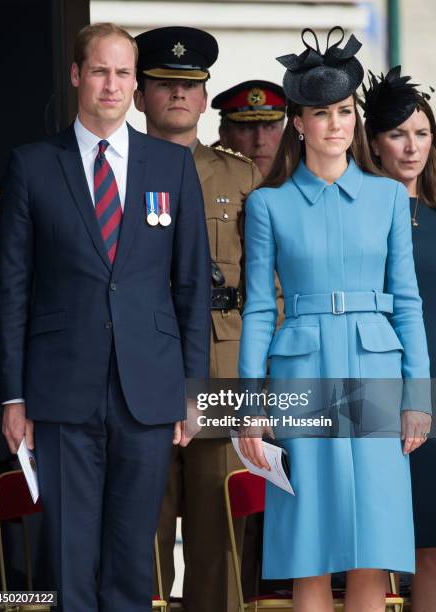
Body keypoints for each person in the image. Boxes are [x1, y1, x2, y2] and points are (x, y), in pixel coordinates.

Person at [0, 22, 210, 612]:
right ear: (76, 77)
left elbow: (191, 286)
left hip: (149, 389)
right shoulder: (33, 166)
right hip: (61, 393)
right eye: (99, 71)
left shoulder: (171, 166)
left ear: (133, 83)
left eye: (122, 74)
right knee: (67, 557)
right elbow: (11, 290)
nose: (111, 85)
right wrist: (12, 397)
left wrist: (192, 391)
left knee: (132, 557)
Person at [238, 27, 432, 612]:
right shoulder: (268, 204)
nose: (336, 125)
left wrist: (418, 394)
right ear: (298, 122)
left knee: (372, 548)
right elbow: (256, 309)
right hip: (300, 372)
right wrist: (250, 405)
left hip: (376, 365)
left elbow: (408, 300)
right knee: (310, 549)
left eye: (345, 111)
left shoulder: (388, 198)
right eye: (321, 113)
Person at [133, 26, 260, 612]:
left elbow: (270, 287)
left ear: (205, 98)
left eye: (189, 86)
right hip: (137, 367)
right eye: (163, 85)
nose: (177, 96)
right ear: (140, 95)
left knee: (220, 544)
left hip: (224, 368)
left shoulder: (243, 179)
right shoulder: (114, 171)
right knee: (140, 535)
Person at [362, 65, 436, 611]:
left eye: (423, 133)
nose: (412, 147)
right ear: (374, 142)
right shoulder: (353, 217)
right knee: (368, 544)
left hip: (432, 392)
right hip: (370, 392)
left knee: (431, 545)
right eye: (398, 134)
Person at [212, 80, 286, 178]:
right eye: (247, 128)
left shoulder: (304, 175)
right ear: (224, 134)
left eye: (269, 127)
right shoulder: (198, 179)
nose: (260, 141)